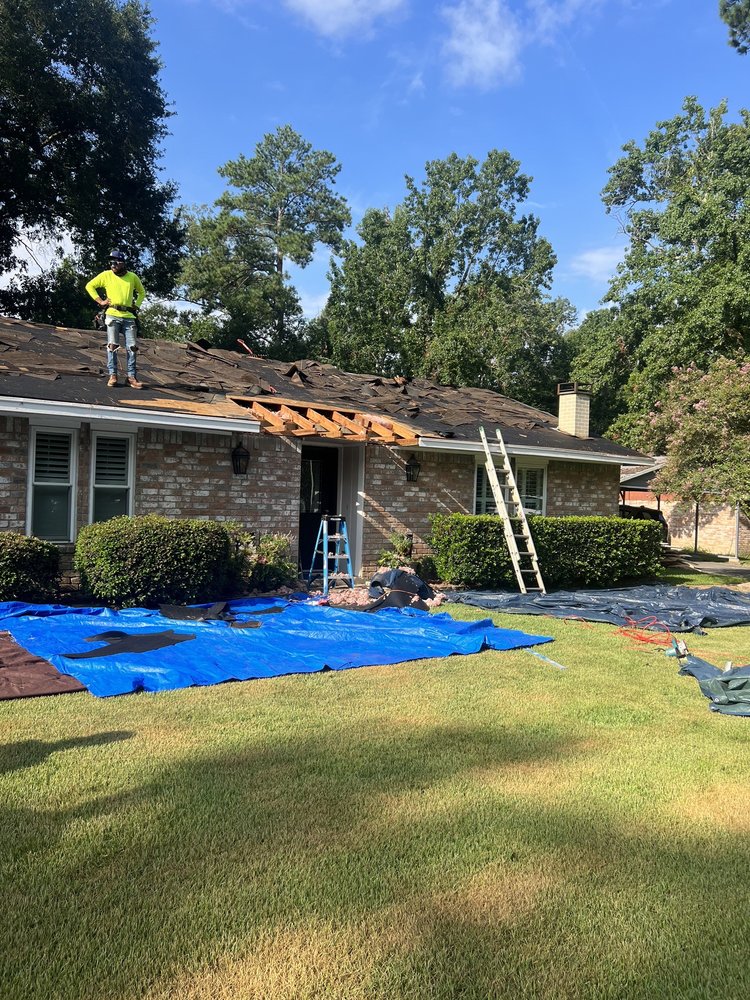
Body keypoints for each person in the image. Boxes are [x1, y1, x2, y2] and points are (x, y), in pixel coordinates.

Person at [85, 250, 146, 389]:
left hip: (129, 316)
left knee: (132, 347)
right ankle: (113, 375)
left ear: (122, 263)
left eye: (115, 262)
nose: (112, 264)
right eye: (111, 262)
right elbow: (89, 286)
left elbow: (142, 292)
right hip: (112, 314)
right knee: (112, 345)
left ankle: (131, 377)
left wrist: (137, 305)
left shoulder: (132, 277)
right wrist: (100, 301)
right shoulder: (106, 275)